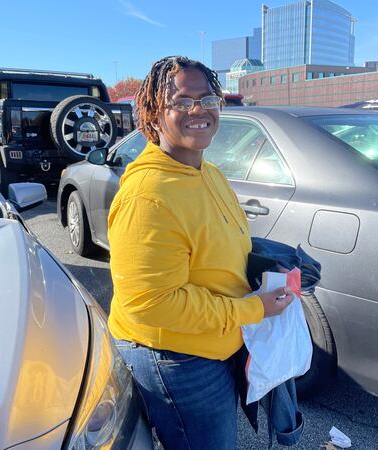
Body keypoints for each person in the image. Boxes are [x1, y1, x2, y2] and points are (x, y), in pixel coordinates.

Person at [107, 55, 293, 450]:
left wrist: (263, 266)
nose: (199, 110)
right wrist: (254, 309)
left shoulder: (208, 173)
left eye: (208, 100)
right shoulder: (148, 196)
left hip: (214, 341)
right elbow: (153, 303)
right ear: (155, 116)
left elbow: (213, 244)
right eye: (182, 101)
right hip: (177, 358)